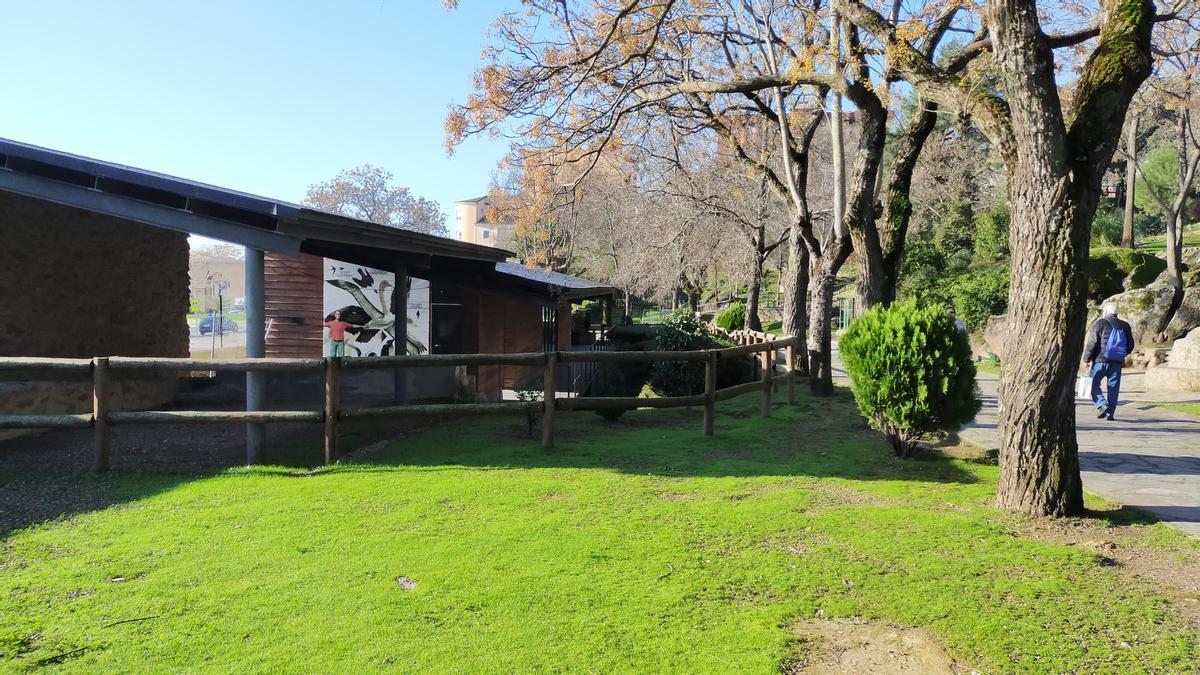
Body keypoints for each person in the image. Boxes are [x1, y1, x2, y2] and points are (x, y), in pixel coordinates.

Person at [1083, 301, 1135, 421]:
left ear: (1105, 311)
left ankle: (1102, 404)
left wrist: (1086, 358)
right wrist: (1121, 354)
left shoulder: (1100, 323)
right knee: (1113, 388)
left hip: (1100, 361)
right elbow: (1131, 345)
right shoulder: (1125, 325)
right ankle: (1110, 414)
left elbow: (1092, 342)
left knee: (1093, 384)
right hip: (1117, 363)